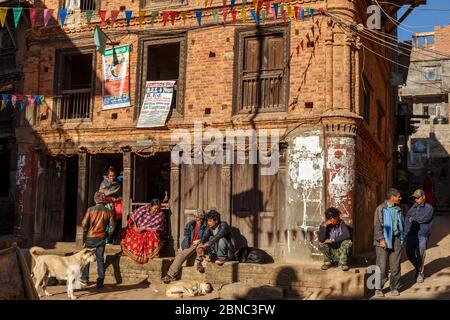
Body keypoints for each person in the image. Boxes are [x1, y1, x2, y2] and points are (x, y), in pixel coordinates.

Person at [373, 188, 405, 297]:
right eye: (398, 196)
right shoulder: (381, 208)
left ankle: (394, 287)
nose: (400, 198)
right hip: (383, 240)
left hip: (396, 240)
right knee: (382, 266)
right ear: (392, 197)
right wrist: (381, 240)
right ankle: (378, 288)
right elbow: (377, 226)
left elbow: (402, 225)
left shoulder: (398, 209)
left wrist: (401, 239)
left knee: (395, 266)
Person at [162, 209, 208, 284]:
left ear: (202, 218)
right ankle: (170, 275)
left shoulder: (206, 226)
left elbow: (206, 236)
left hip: (201, 243)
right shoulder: (191, 224)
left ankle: (199, 262)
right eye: (196, 217)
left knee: (198, 246)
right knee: (181, 255)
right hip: (192, 244)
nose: (197, 219)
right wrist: (186, 243)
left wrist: (199, 240)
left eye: (199, 218)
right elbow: (187, 235)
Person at [80, 191, 115, 288]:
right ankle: (100, 281)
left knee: (86, 258)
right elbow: (112, 227)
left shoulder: (90, 209)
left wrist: (86, 232)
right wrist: (107, 235)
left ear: (95, 199)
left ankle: (84, 278)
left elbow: (83, 224)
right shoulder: (108, 212)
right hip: (101, 238)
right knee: (100, 259)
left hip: (90, 237)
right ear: (103, 200)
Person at [120, 199, 166, 264]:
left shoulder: (160, 214)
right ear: (151, 206)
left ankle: (150, 253)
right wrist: (135, 226)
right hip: (138, 228)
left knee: (152, 235)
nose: (156, 210)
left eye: (158, 209)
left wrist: (144, 228)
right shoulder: (143, 209)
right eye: (155, 208)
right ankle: (129, 251)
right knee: (127, 232)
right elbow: (133, 215)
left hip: (150, 230)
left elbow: (156, 224)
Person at [405, 189, 434, 283]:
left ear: (423, 197)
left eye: (418, 197)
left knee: (420, 254)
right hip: (411, 234)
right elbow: (407, 219)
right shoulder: (412, 208)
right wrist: (406, 233)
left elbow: (424, 219)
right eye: (414, 198)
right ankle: (418, 268)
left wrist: (412, 219)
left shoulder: (429, 208)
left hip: (422, 235)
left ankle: (420, 273)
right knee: (409, 253)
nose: (416, 199)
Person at [318, 207, 352, 271]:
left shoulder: (341, 223)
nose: (339, 218)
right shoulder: (323, 225)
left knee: (348, 242)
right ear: (331, 218)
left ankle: (342, 263)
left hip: (340, 252)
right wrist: (325, 226)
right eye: (337, 217)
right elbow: (321, 240)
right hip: (331, 252)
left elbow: (347, 235)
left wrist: (332, 240)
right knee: (321, 244)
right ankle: (327, 263)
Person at [99, 166, 123, 244]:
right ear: (107, 176)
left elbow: (120, 194)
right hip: (106, 205)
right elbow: (101, 194)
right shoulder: (103, 183)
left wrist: (117, 199)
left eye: (113, 176)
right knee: (106, 222)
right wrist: (109, 198)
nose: (112, 177)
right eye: (110, 176)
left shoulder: (117, 184)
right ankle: (104, 240)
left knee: (114, 223)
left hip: (116, 206)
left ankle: (112, 239)